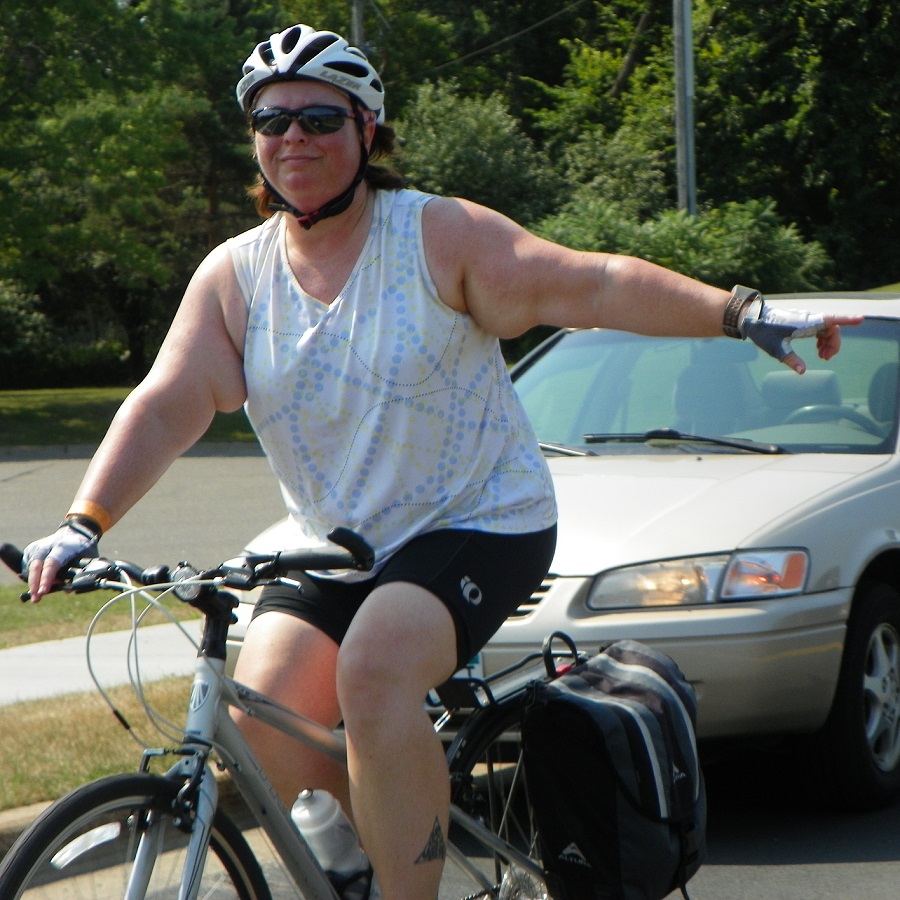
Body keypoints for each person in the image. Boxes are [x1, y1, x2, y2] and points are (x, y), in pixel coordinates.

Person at [23, 24, 861, 900]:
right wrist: (85, 521)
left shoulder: (437, 237)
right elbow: (167, 402)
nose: (294, 138)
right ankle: (373, 847)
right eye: (272, 121)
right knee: (259, 726)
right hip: (334, 543)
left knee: (375, 668)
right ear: (253, 139)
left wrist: (741, 312)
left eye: (319, 117)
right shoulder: (236, 278)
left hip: (479, 520)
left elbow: (596, 283)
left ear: (368, 132)